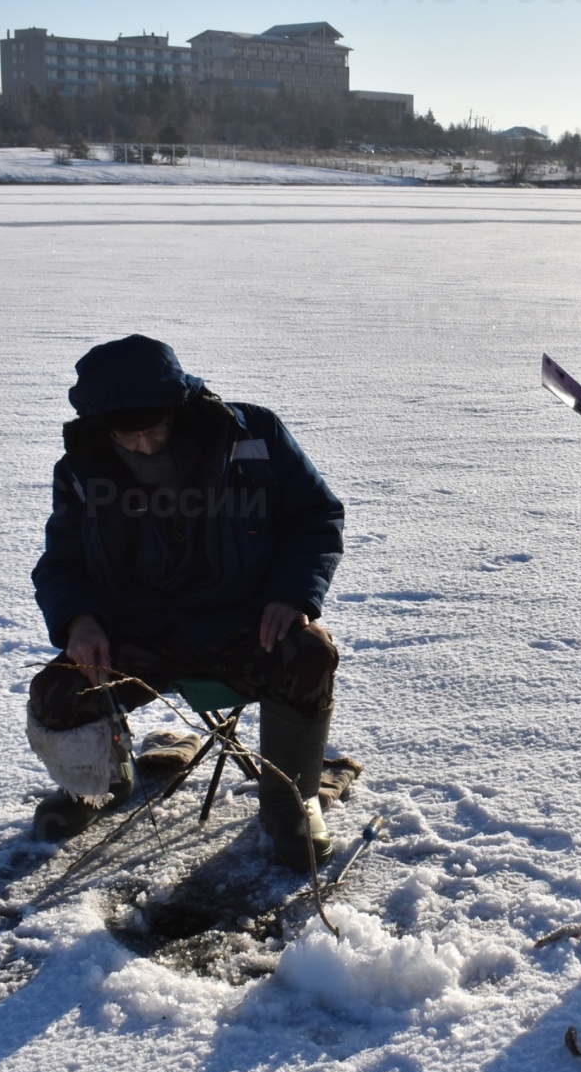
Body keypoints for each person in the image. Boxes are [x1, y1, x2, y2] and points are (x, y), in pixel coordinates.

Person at [25, 334, 346, 868]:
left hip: (244, 623)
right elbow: (63, 561)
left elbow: (314, 518)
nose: (147, 445)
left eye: (156, 429)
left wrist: (292, 594)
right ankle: (103, 784)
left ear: (180, 405)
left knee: (310, 653)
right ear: (102, 426)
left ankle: (292, 803)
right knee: (55, 691)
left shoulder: (253, 435)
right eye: (130, 437)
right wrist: (79, 619)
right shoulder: (82, 469)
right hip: (139, 629)